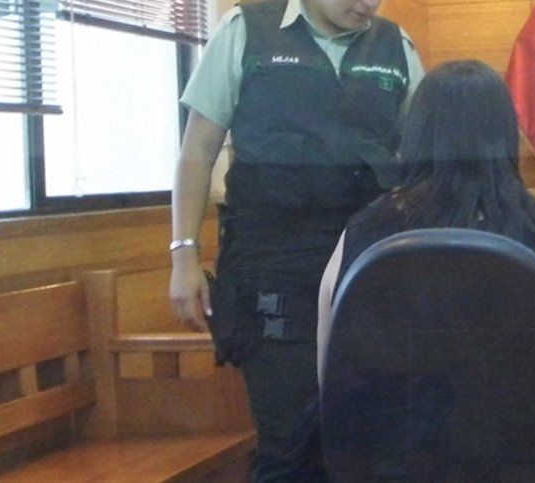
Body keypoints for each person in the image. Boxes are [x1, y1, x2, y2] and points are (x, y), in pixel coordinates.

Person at [317, 60, 535, 482]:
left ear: (414, 134)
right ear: (505, 138)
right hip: (527, 472)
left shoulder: (359, 237)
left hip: (393, 473)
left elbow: (330, 382)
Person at [168, 0, 423, 480]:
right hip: (272, 277)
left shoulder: (396, 47)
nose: (368, 4)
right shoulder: (244, 31)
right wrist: (183, 255)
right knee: (289, 447)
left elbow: (422, 159)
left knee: (369, 448)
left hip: (366, 276)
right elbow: (197, 151)